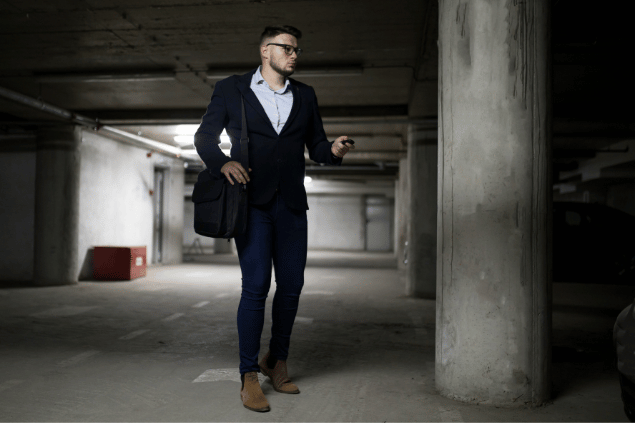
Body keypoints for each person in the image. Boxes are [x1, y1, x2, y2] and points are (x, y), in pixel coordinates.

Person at [194, 25, 354, 412]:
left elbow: (316, 145)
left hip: (292, 205)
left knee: (293, 286)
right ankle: (248, 375)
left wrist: (333, 150)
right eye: (287, 48)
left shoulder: (305, 94)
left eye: (297, 50)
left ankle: (276, 361)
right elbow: (204, 137)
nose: (294, 55)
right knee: (255, 287)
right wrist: (222, 162)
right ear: (265, 51)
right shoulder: (232, 88)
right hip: (251, 203)